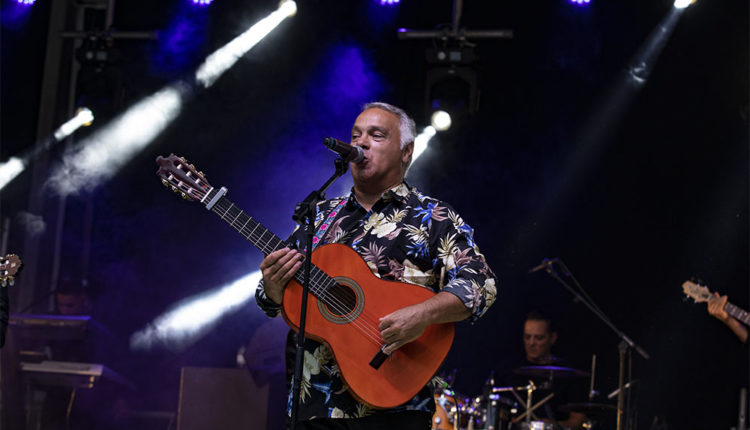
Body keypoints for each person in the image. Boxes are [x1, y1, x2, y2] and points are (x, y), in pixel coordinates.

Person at [255, 102, 498, 429]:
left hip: (396, 405)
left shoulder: (432, 216)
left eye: (376, 135)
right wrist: (272, 287)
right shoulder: (321, 216)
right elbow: (269, 300)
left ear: (406, 152)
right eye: (356, 135)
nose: (361, 142)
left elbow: (482, 284)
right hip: (314, 406)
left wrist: (422, 314)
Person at [507, 310, 587, 430]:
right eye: (527, 337)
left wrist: (551, 426)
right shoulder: (509, 371)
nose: (531, 343)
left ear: (552, 338)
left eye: (539, 338)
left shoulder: (569, 375)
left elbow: (578, 420)